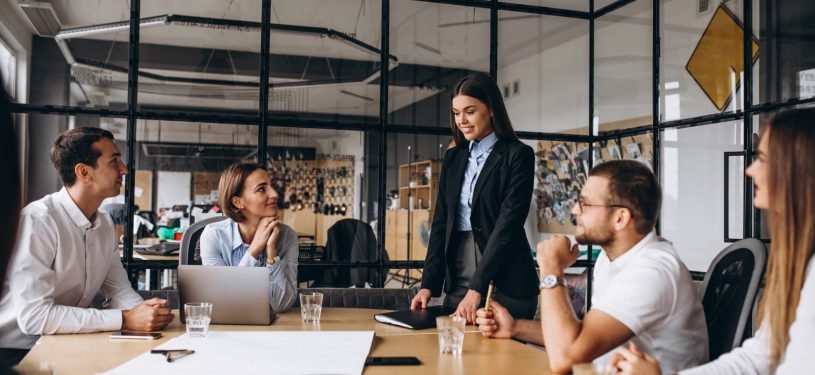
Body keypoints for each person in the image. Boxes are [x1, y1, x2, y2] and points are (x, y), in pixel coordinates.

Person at [613, 108, 815, 375]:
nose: (750, 170)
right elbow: (756, 358)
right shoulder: (801, 263)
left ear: (798, 171)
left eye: (763, 159)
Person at [476, 160, 708, 373]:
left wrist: (551, 269)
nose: (575, 211)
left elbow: (565, 359)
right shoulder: (610, 259)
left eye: (585, 204)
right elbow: (581, 336)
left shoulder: (652, 272)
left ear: (620, 218)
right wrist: (515, 327)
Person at [0, 127, 174, 366]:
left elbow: (117, 290)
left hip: (67, 341)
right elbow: (34, 318)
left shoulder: (103, 223)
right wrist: (125, 319)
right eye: (114, 162)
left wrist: (145, 313)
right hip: (16, 351)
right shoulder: (39, 221)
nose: (124, 169)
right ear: (84, 172)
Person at [410, 73, 539, 323]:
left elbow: (507, 226)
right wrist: (428, 284)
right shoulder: (454, 157)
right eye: (456, 113)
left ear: (491, 109)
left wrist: (476, 289)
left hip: (507, 279)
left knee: (498, 359)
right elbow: (441, 222)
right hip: (459, 276)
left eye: (469, 111)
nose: (462, 121)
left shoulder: (518, 155)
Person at [199, 162, 298, 312]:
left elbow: (282, 305)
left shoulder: (286, 236)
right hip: (227, 328)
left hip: (273, 330)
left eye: (271, 186)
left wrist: (271, 253)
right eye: (261, 189)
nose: (275, 194)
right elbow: (225, 300)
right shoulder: (214, 235)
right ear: (238, 202)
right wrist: (255, 248)